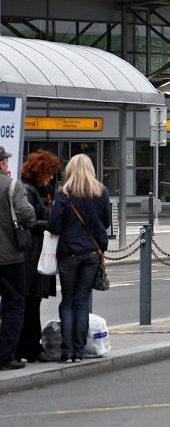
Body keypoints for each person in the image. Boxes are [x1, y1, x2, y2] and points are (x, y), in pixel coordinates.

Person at [46, 154, 110, 363]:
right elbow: (106, 223)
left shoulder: (64, 193)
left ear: (70, 170)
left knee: (68, 301)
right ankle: (80, 351)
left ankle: (67, 351)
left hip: (68, 253)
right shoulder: (101, 191)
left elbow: (54, 226)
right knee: (82, 302)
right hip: (92, 253)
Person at [16, 150, 61, 363]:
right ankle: (30, 347)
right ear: (40, 172)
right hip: (32, 255)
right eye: (49, 173)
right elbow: (31, 221)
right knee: (30, 303)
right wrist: (53, 226)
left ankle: (29, 346)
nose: (51, 177)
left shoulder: (40, 191)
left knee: (32, 303)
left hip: (37, 254)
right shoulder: (28, 191)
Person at [0, 145, 37, 371]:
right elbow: (27, 215)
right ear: (2, 163)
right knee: (14, 304)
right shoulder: (13, 186)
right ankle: (4, 356)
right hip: (9, 257)